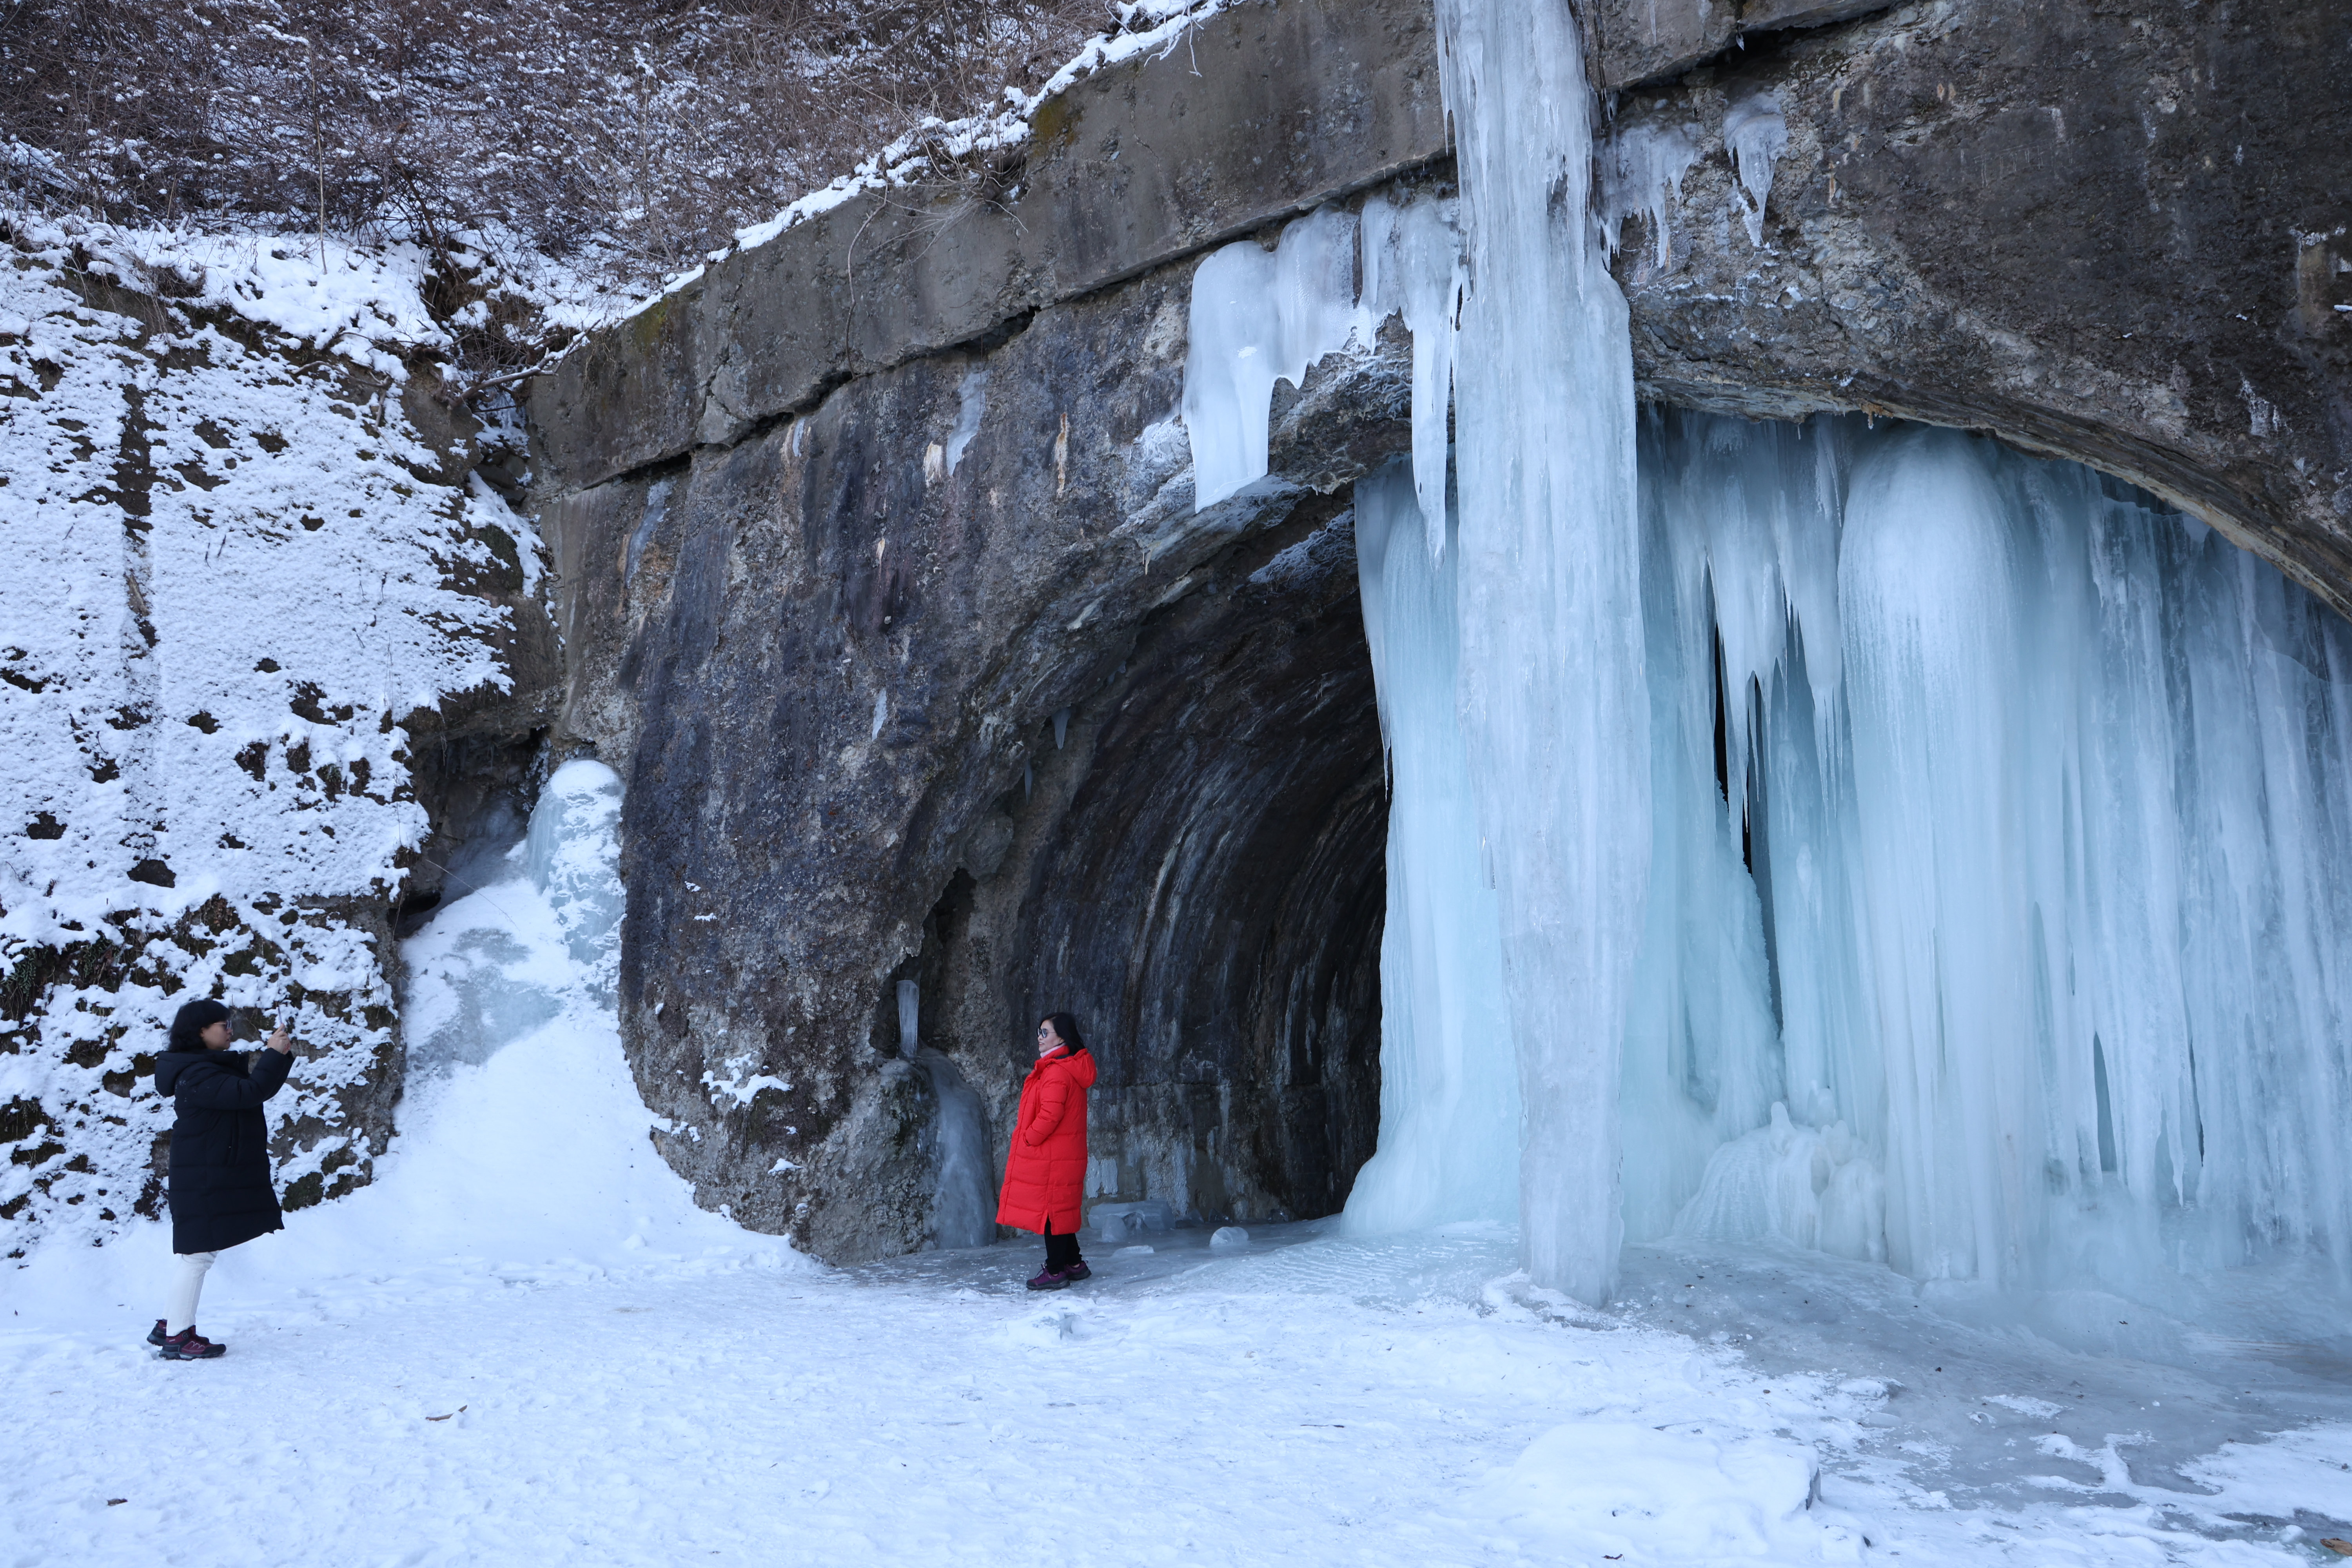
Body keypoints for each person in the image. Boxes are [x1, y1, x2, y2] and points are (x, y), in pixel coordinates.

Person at [147, 997, 296, 1360]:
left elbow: (249, 1093)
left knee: (196, 1253)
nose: (230, 1030)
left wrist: (275, 1057)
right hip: (202, 1176)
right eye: (223, 1026)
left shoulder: (203, 1067)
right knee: (196, 1256)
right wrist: (273, 1056)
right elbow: (249, 1093)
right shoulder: (197, 1073)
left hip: (206, 1170)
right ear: (201, 1032)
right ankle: (178, 1338)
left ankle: (170, 1325)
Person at [997, 1012, 1098, 1291]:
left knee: (1051, 1213)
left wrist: (1029, 1138)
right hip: (1064, 1154)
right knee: (1060, 1210)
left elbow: (1050, 1115)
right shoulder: (1068, 1066)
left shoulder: (1056, 1070)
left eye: (1045, 1033)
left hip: (1054, 1156)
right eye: (1038, 1033)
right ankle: (1074, 1263)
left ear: (1061, 1037)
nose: (1039, 1039)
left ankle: (1055, 1270)